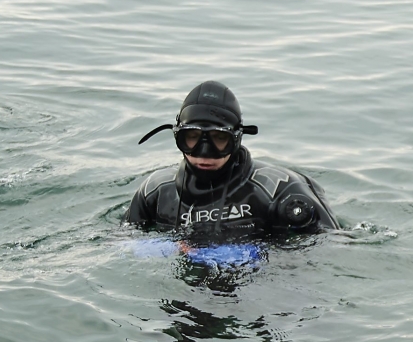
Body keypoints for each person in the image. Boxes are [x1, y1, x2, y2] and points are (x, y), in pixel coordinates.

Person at [125, 81, 336, 242]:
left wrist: (258, 255)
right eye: (192, 138)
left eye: (219, 139)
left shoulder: (279, 190)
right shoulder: (156, 191)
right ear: (178, 137)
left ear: (237, 139)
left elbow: (329, 248)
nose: (204, 152)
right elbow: (121, 242)